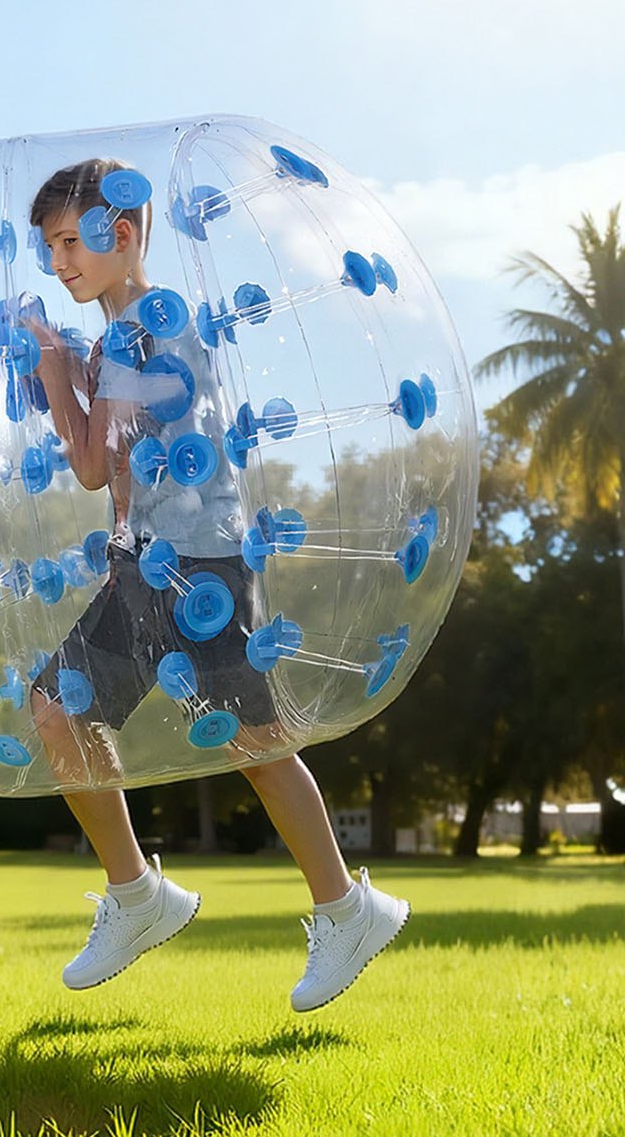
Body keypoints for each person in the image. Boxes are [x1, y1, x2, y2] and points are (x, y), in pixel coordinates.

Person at [24, 159, 408, 1011]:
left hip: (201, 570)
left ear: (118, 234)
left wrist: (54, 371)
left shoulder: (151, 333)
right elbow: (111, 461)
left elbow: (91, 465)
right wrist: (64, 372)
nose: (57, 264)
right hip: (141, 565)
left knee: (259, 748)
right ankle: (136, 896)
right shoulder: (115, 340)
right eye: (47, 247)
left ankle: (348, 911)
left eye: (67, 243)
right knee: (57, 709)